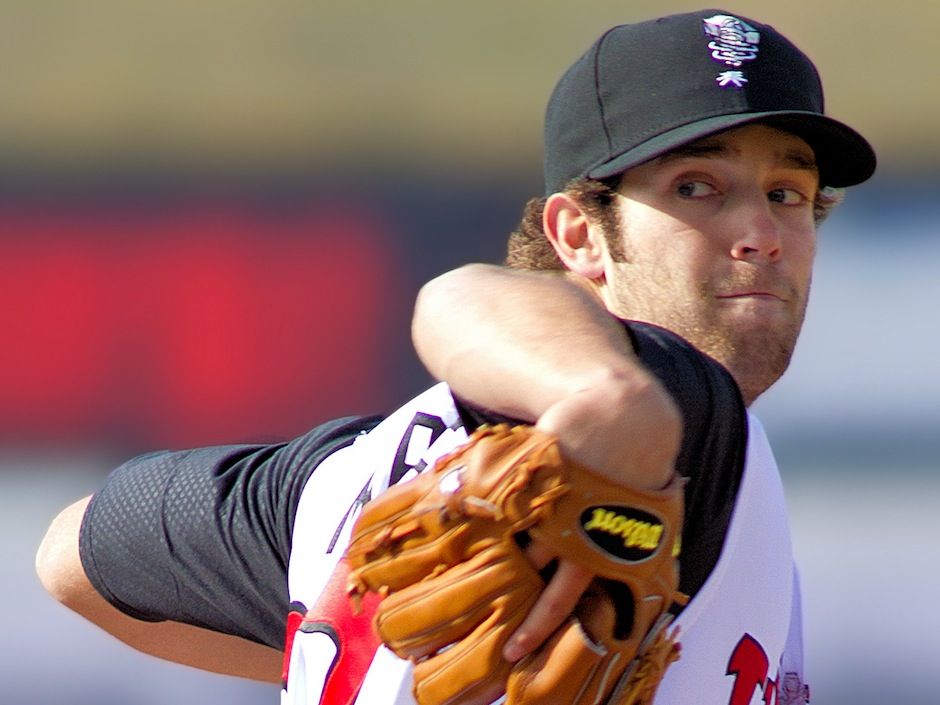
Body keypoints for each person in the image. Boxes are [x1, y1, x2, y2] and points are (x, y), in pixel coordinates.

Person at [36, 9, 875, 705]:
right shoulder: (678, 410)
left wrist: (343, 642)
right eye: (698, 187)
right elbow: (463, 297)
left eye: (789, 195)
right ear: (579, 235)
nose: (762, 235)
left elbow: (74, 557)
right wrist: (611, 399)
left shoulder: (345, 480)